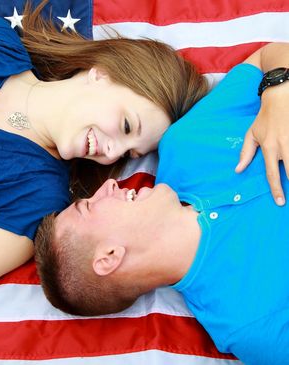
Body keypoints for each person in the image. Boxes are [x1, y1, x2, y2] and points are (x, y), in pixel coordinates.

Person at [0, 0, 209, 323]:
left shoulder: (35, 198)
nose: (113, 154)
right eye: (127, 127)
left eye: (130, 154)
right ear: (101, 74)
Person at [36, 42, 289, 365]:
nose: (109, 184)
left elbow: (268, 56)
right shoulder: (248, 324)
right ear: (109, 257)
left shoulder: (185, 144)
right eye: (89, 206)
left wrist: (280, 87)